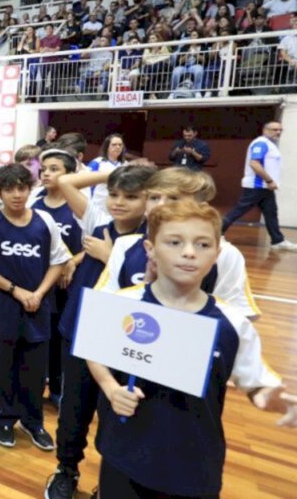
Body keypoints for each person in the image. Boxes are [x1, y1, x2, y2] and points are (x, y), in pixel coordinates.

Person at [88, 201, 297, 498]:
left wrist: (275, 398)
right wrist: (110, 388)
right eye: (174, 242)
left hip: (194, 463)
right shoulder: (126, 304)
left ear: (217, 254)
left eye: (202, 244)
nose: (189, 252)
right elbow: (94, 351)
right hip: (124, 455)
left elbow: (256, 383)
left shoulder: (231, 323)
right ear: (151, 249)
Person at [44, 164, 155, 499]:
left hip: (125, 341)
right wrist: (117, 173)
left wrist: (112, 258)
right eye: (115, 195)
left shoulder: (155, 241)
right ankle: (66, 470)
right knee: (74, 411)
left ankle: (112, 481)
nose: (119, 202)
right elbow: (65, 181)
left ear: (149, 200)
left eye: (131, 196)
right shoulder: (97, 222)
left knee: (118, 415)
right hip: (81, 332)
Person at [0, 164, 71, 450]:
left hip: (38, 308)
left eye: (22, 188)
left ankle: (33, 421)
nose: (16, 194)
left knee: (35, 370)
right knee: (2, 366)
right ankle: (4, 419)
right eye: (9, 189)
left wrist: (38, 292)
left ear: (30, 188)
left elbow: (58, 260)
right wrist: (16, 291)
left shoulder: (44, 221)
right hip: (3, 309)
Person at [98, 168, 261, 319]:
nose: (160, 205)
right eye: (154, 198)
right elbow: (104, 302)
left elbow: (239, 316)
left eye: (174, 198)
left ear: (200, 207)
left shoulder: (225, 254)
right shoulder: (125, 245)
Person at [30, 149, 84, 411]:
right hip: (43, 284)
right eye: (44, 169)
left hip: (69, 284)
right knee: (42, 336)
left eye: (54, 169)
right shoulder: (34, 203)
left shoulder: (80, 206)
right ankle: (37, 384)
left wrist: (71, 261)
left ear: (70, 175)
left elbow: (93, 244)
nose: (47, 174)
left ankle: (59, 388)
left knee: (64, 338)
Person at [221, 121, 297, 251]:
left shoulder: (270, 145)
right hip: (257, 186)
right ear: (265, 130)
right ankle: (216, 234)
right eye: (274, 129)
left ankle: (277, 241)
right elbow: (254, 164)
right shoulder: (261, 143)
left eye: (280, 130)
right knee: (239, 211)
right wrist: (269, 180)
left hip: (265, 187)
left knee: (271, 213)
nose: (278, 132)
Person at [87, 134, 126, 211]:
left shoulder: (126, 165)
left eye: (120, 145)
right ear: (107, 147)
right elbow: (87, 185)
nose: (117, 147)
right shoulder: (97, 162)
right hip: (98, 205)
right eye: (114, 145)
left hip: (118, 206)